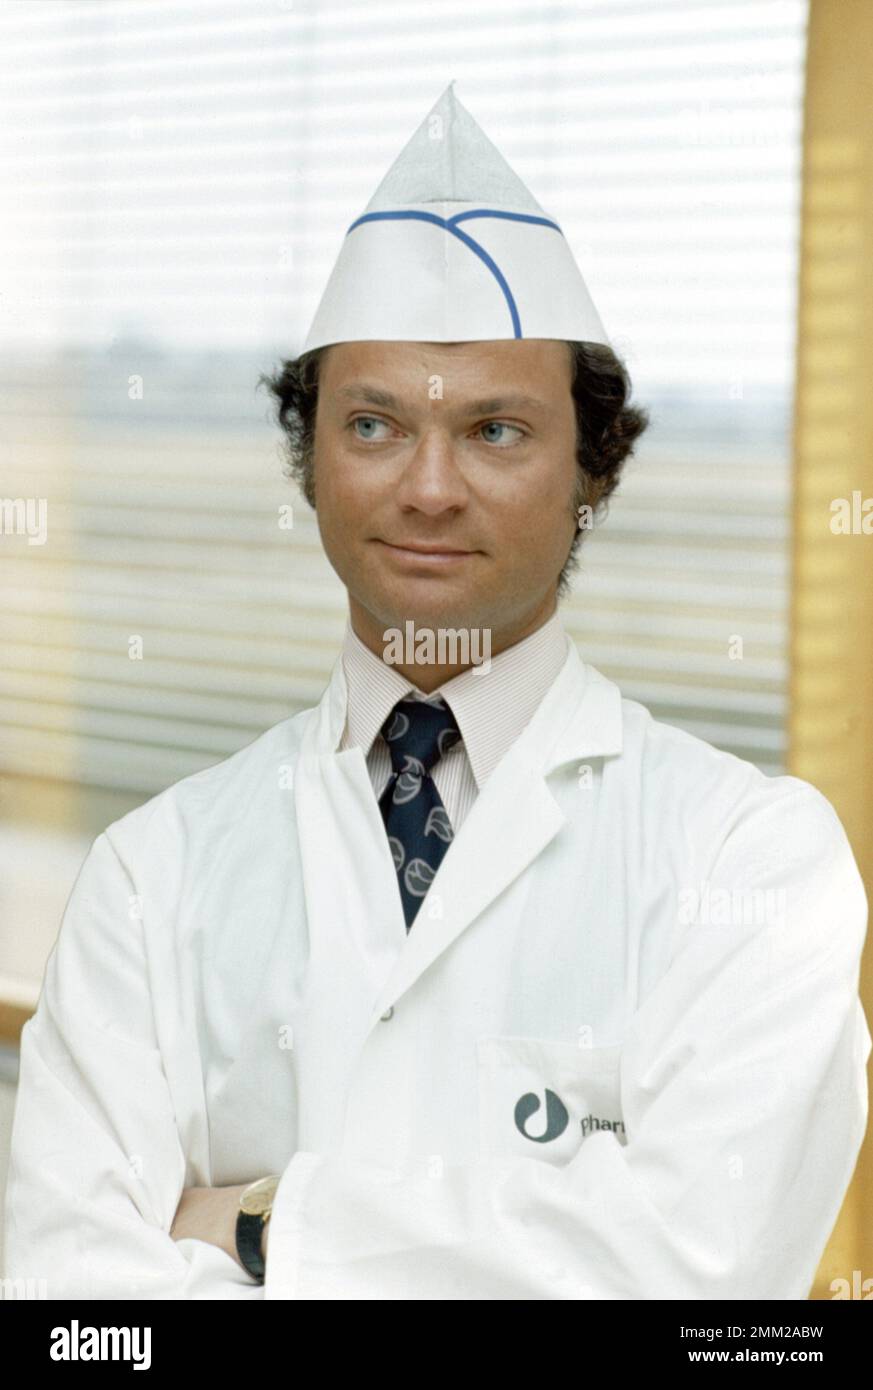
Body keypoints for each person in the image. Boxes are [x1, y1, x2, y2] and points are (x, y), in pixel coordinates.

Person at [3, 84, 869, 1301]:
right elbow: (73, 1311)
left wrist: (259, 1222)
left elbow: (694, 1279)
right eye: (372, 424)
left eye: (498, 432)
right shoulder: (154, 877)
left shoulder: (752, 860)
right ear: (311, 464)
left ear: (593, 471)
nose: (427, 487)